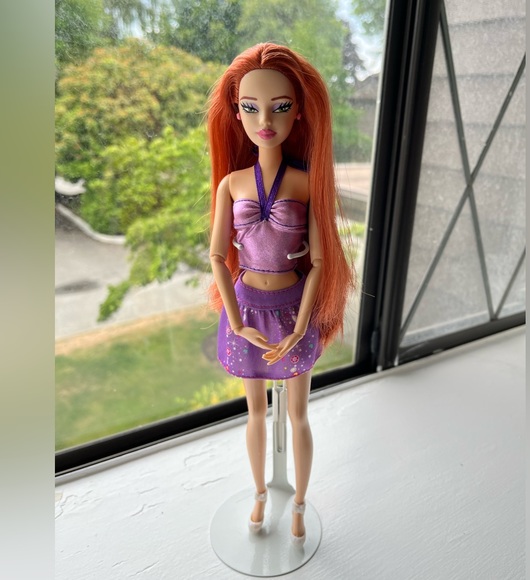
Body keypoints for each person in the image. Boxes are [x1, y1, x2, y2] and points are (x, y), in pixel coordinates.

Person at [207, 43, 354, 546]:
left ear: (300, 111)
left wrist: (301, 324)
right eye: (250, 107)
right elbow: (217, 257)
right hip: (247, 308)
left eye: (280, 106)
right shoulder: (231, 184)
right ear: (236, 112)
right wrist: (237, 320)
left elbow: (320, 262)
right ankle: (259, 494)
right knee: (254, 413)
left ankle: (300, 502)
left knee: (297, 414)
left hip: (293, 310)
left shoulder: (306, 183)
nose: (264, 120)